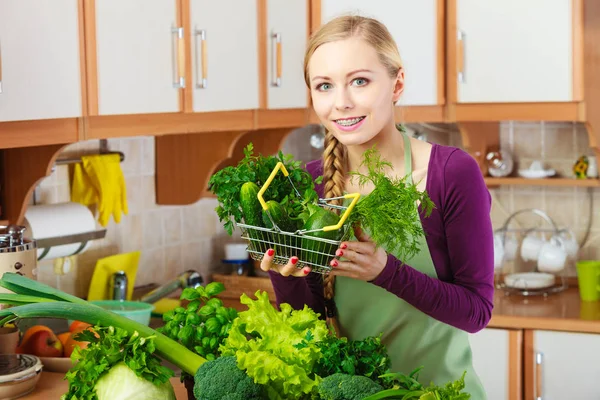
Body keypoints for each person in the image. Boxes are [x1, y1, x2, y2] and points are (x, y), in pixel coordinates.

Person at [260, 14, 494, 399]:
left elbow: (475, 312)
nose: (342, 103)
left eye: (360, 81)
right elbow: (313, 324)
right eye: (324, 86)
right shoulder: (309, 184)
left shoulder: (449, 173)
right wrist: (288, 274)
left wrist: (386, 271)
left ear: (396, 83)